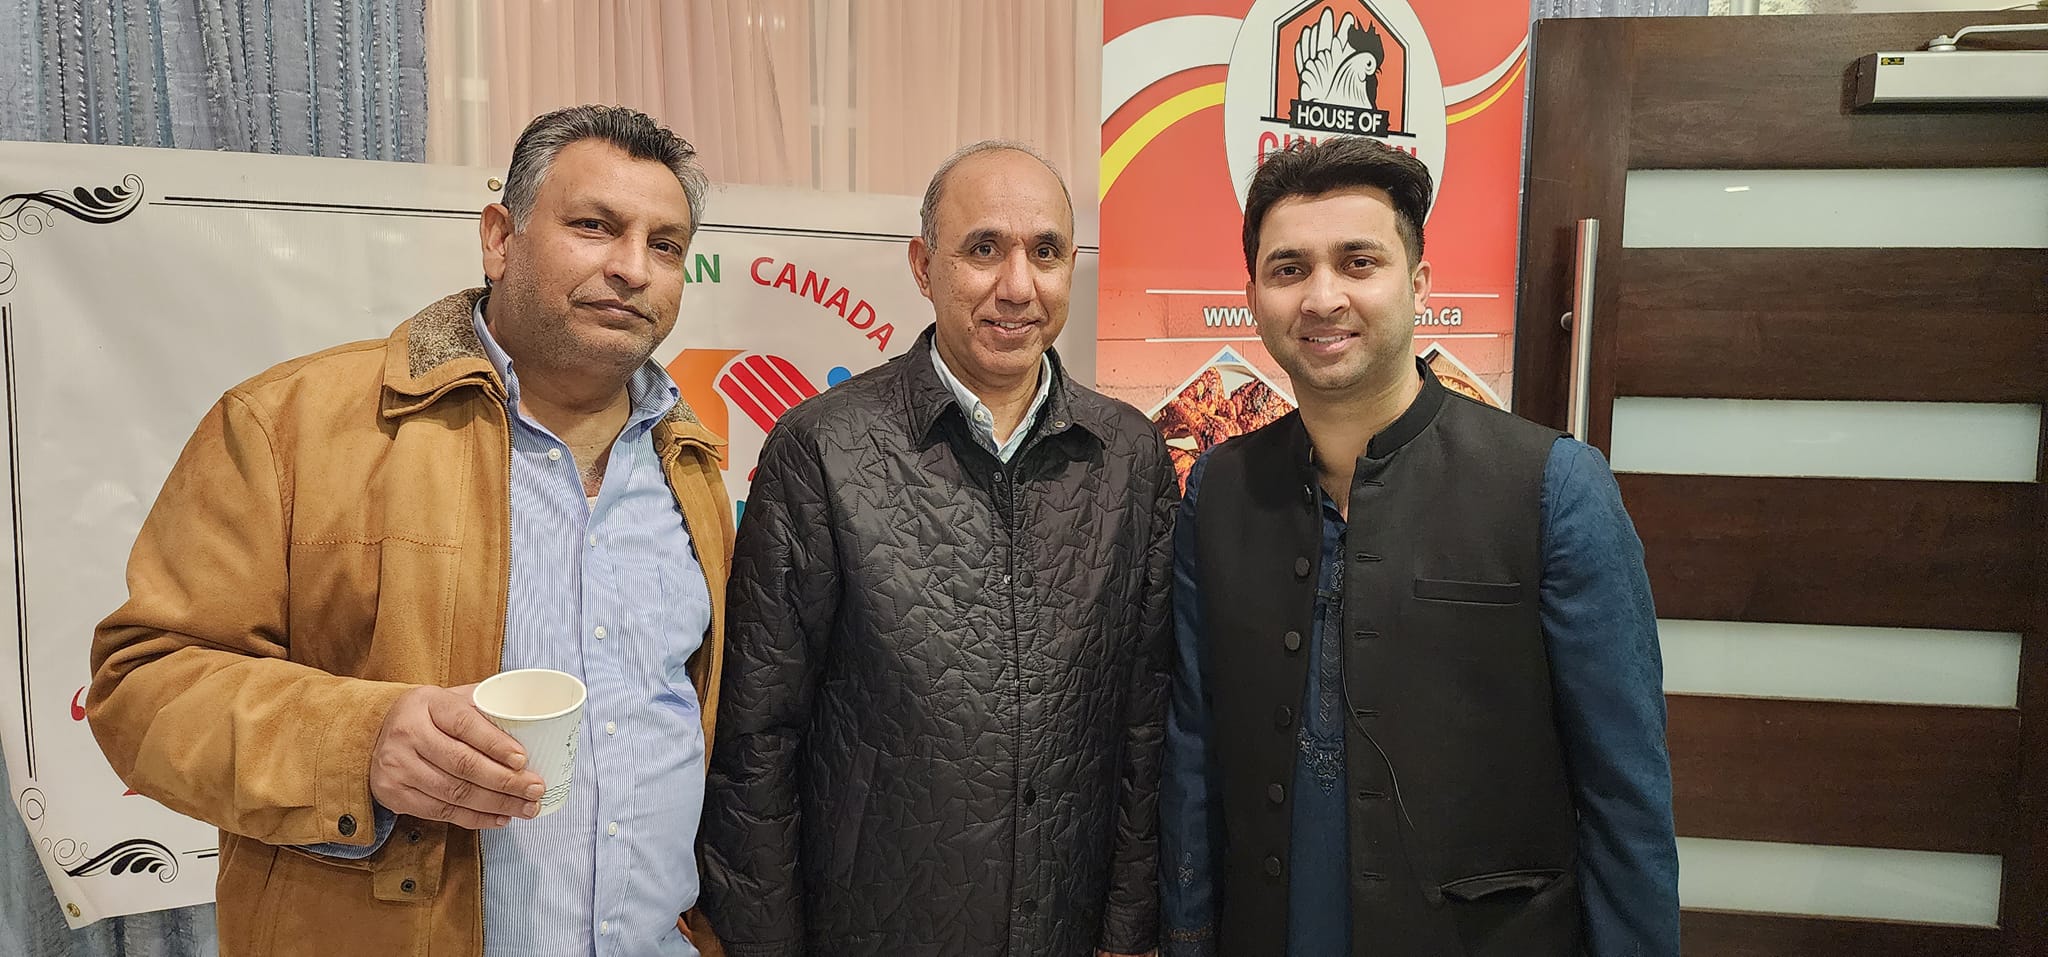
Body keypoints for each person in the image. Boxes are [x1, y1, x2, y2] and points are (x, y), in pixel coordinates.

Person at [86, 104, 734, 957]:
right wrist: (359, 743)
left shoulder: (692, 468)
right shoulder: (291, 425)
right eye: (593, 226)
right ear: (499, 238)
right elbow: (141, 687)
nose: (632, 268)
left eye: (665, 245)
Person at [1159, 136, 1680, 957]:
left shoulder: (1552, 487)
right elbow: (1193, 746)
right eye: (1289, 268)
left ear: (1420, 283)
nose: (1322, 296)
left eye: (1358, 262)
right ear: (1254, 296)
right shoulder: (1219, 489)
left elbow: (1625, 796)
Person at [699, 141, 1174, 957]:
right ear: (923, 266)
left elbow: (1144, 717)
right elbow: (757, 740)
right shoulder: (824, 449)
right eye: (983, 248)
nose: (1017, 286)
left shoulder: (1130, 455)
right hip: (873, 923)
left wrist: (1128, 934)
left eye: (1045, 252)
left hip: (1064, 922)